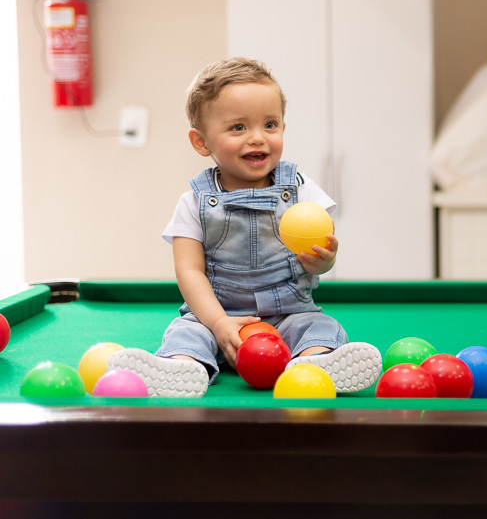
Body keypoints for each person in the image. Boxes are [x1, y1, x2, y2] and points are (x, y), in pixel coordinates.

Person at [109, 57, 382, 397]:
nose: (257, 138)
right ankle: (182, 369)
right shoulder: (193, 202)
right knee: (185, 333)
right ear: (201, 141)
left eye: (270, 124)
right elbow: (189, 272)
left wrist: (324, 261)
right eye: (238, 127)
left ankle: (313, 363)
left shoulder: (301, 190)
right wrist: (218, 323)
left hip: (289, 314)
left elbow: (321, 255)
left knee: (319, 326)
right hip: (216, 316)